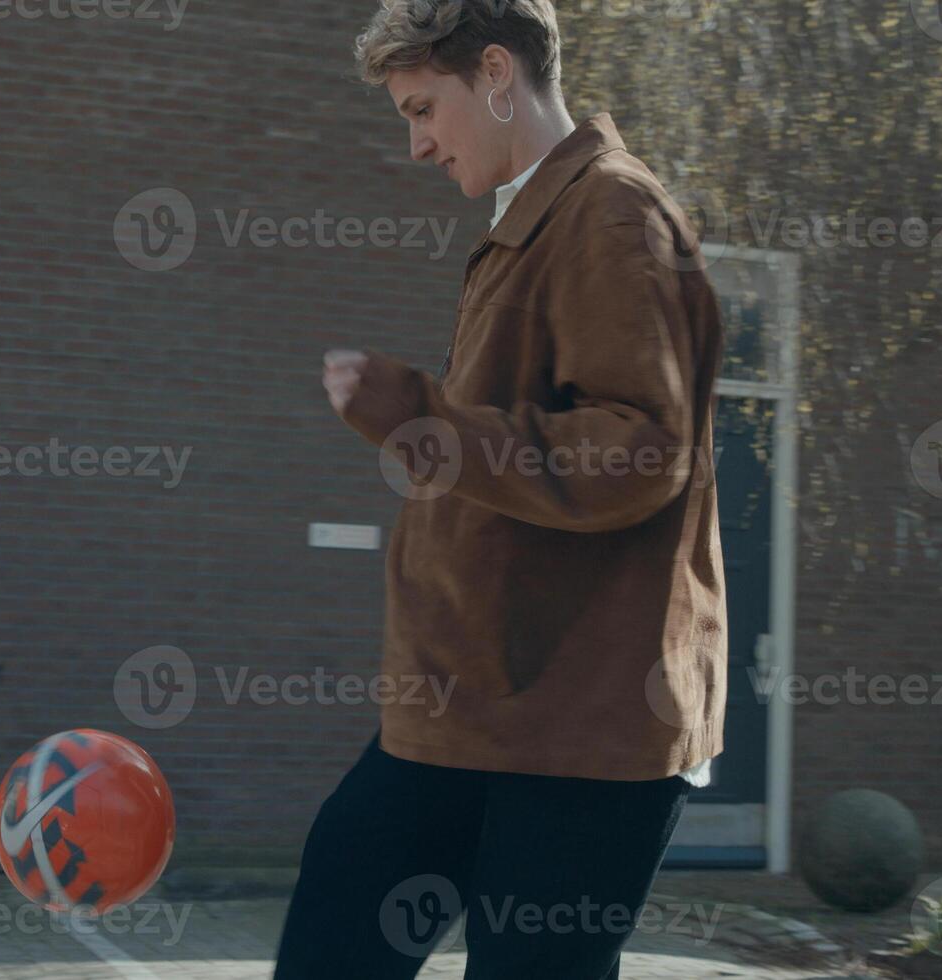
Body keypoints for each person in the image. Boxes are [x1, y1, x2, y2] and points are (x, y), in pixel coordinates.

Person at [280, 1, 729, 977]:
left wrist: (424, 421)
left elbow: (641, 447)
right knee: (334, 926)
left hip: (580, 731)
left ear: (494, 73)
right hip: (471, 703)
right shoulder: (535, 216)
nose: (414, 145)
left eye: (420, 108)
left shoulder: (608, 212)